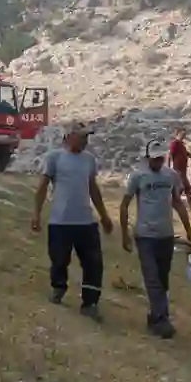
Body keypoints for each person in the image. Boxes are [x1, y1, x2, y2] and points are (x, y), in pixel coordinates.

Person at [31, 121, 114, 321]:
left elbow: (93, 188)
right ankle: (58, 288)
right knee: (59, 260)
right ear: (70, 136)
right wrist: (36, 213)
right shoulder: (55, 158)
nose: (86, 140)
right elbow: (42, 187)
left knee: (94, 263)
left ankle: (90, 303)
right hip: (61, 221)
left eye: (87, 137)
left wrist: (103, 216)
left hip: (86, 221)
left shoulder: (89, 160)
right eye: (83, 136)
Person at [120, 139, 191, 339]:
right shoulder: (137, 176)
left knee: (162, 280)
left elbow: (178, 203)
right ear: (147, 158)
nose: (157, 162)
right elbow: (124, 205)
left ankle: (155, 316)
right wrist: (124, 235)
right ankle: (163, 320)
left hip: (166, 236)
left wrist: (189, 231)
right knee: (152, 279)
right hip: (145, 235)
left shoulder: (171, 176)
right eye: (154, 159)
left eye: (160, 158)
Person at [168, 126, 191, 210]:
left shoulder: (181, 144)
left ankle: (173, 203)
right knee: (186, 187)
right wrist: (168, 167)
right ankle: (190, 205)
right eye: (182, 134)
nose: (184, 135)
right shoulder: (175, 143)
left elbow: (186, 153)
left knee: (180, 188)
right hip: (178, 169)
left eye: (185, 134)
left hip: (183, 169)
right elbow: (169, 155)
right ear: (177, 134)